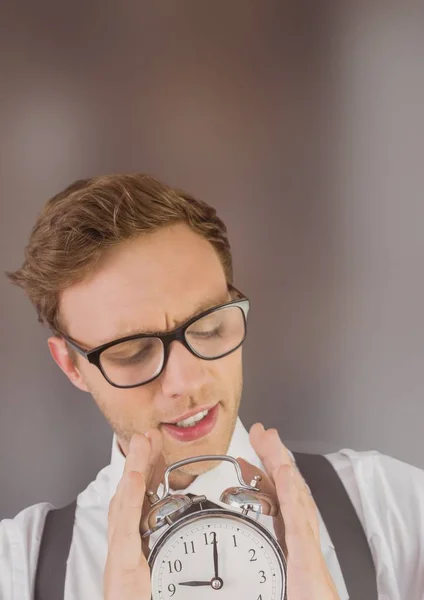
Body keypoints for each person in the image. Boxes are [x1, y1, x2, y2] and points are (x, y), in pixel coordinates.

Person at [1, 174, 423, 600]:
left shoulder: (391, 512)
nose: (187, 382)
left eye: (208, 327)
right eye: (131, 352)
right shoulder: (18, 567)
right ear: (71, 366)